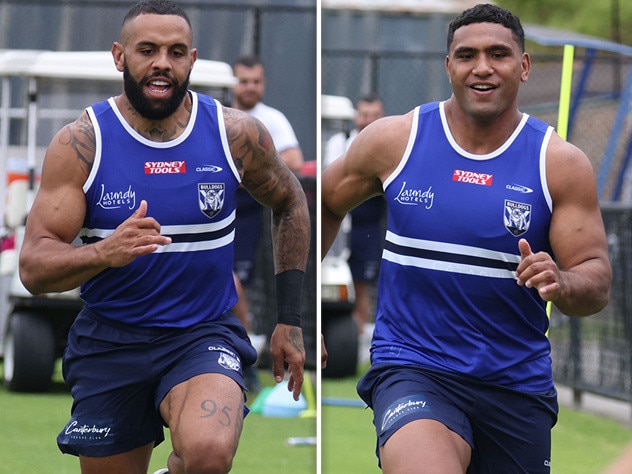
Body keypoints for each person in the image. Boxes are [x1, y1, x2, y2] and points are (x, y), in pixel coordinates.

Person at [18, 1, 310, 473]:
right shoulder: (82, 143)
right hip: (110, 341)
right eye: (147, 50)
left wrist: (290, 318)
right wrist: (104, 252)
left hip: (202, 333)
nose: (162, 63)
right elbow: (32, 267)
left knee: (208, 454)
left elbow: (291, 201)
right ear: (119, 56)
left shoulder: (234, 134)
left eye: (176, 52)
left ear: (191, 60)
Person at [321, 4, 612, 473]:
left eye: (498, 54)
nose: (481, 67)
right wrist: (299, 309)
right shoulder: (397, 140)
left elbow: (596, 280)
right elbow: (324, 204)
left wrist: (562, 280)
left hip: (515, 382)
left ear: (523, 65)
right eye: (466, 55)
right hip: (414, 366)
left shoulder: (558, 162)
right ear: (448, 65)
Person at [230, 55, 305, 386]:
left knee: (234, 285)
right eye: (244, 81)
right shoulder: (220, 114)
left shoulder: (270, 120)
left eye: (256, 81)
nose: (250, 87)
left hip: (250, 215)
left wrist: (249, 167)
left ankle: (243, 357)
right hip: (214, 210)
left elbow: (294, 161)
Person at [325, 94, 386, 339]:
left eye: (374, 116)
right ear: (355, 117)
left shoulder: (386, 145)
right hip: (337, 228)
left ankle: (356, 342)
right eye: (364, 115)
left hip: (367, 228)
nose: (368, 120)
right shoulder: (338, 142)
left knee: (361, 287)